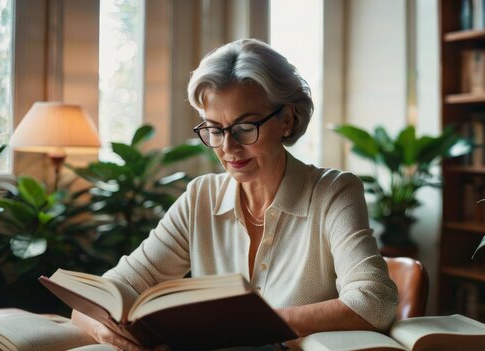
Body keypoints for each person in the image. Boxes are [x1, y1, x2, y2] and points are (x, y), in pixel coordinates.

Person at [72, 38, 398, 350]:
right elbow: (101, 295)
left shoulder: (333, 193)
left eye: (245, 127)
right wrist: (105, 331)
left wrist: (252, 327)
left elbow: (374, 302)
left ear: (286, 119)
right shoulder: (201, 197)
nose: (228, 147)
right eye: (214, 129)